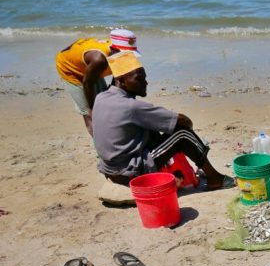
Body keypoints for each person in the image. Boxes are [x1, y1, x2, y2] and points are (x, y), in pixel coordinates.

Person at [92, 51, 230, 190]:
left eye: (144, 78)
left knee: (151, 128)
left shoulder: (101, 97)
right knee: (182, 133)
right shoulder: (131, 107)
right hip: (129, 172)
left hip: (111, 169)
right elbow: (185, 122)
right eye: (139, 79)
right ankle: (215, 178)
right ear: (121, 80)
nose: (146, 83)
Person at [55, 29, 140, 136]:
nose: (127, 56)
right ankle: (100, 144)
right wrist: (92, 107)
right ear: (114, 49)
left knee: (105, 100)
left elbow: (119, 75)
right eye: (125, 53)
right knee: (91, 113)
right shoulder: (99, 61)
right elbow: (87, 83)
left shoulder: (118, 51)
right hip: (70, 68)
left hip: (86, 63)